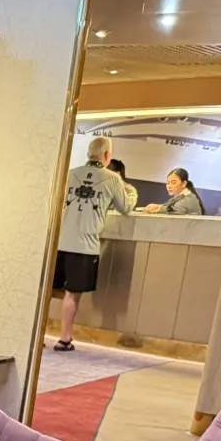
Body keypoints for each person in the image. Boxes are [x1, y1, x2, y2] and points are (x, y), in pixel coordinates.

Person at [51, 135, 131, 352]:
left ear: (89, 153)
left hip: (60, 241)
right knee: (72, 294)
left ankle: (36, 336)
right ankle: (64, 338)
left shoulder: (71, 173)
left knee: (49, 291)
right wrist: (132, 191)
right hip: (84, 245)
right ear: (107, 155)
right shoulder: (112, 178)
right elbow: (126, 207)